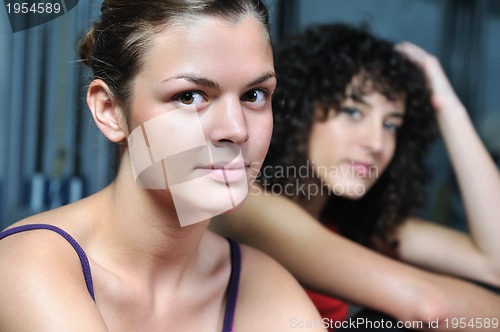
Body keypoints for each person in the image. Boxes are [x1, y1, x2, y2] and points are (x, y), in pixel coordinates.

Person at [0, 1, 326, 331]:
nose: (237, 130)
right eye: (190, 96)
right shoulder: (26, 266)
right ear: (110, 110)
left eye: (254, 95)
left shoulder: (264, 286)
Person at [211, 23, 500, 331]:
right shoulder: (248, 204)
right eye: (352, 112)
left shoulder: (352, 221)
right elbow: (430, 308)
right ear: (300, 110)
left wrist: (448, 106)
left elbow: (494, 264)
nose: (376, 143)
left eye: (391, 125)